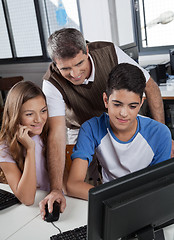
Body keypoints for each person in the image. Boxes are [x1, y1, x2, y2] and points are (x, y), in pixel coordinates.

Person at [40, 27, 166, 214]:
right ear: (55, 64)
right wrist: (56, 188)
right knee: (84, 180)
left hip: (115, 117)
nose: (74, 74)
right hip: (82, 126)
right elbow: (56, 133)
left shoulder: (110, 52)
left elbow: (150, 87)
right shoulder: (51, 82)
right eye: (65, 68)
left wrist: (159, 134)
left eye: (79, 63)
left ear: (87, 50)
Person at [66, 63, 172, 200]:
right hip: (109, 202)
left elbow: (160, 186)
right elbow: (73, 185)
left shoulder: (160, 133)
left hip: (145, 200)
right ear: (106, 100)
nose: (123, 113)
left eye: (132, 106)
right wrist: (116, 199)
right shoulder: (91, 129)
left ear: (140, 104)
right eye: (117, 104)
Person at [0, 81, 50, 207]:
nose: (38, 119)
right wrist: (30, 149)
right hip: (31, 208)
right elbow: (27, 199)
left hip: (54, 201)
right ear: (15, 116)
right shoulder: (4, 148)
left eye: (43, 111)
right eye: (29, 114)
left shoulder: (48, 134)